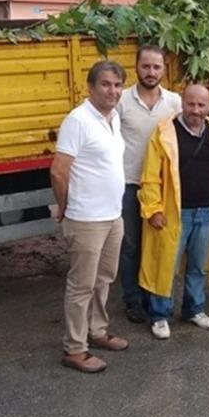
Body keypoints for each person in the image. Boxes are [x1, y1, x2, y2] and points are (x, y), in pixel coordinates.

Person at [50, 61, 131, 373]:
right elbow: (58, 170)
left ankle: (97, 331)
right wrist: (65, 206)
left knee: (104, 279)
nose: (113, 91)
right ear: (91, 87)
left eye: (117, 85)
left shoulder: (112, 118)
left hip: (113, 215)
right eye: (106, 85)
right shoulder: (78, 120)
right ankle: (74, 348)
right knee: (82, 284)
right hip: (86, 218)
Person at [138, 84, 209, 339]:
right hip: (174, 213)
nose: (196, 110)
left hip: (207, 212)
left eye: (202, 105)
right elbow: (150, 177)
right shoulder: (164, 133)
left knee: (198, 266)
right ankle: (160, 315)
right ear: (182, 103)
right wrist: (153, 209)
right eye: (191, 104)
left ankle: (194, 309)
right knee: (165, 265)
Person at [117, 45, 182, 323]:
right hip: (130, 185)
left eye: (156, 67)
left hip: (163, 187)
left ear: (164, 69)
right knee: (131, 245)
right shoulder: (121, 101)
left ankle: (151, 295)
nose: (151, 72)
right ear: (136, 67)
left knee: (156, 245)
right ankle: (132, 300)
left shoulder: (175, 102)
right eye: (146, 66)